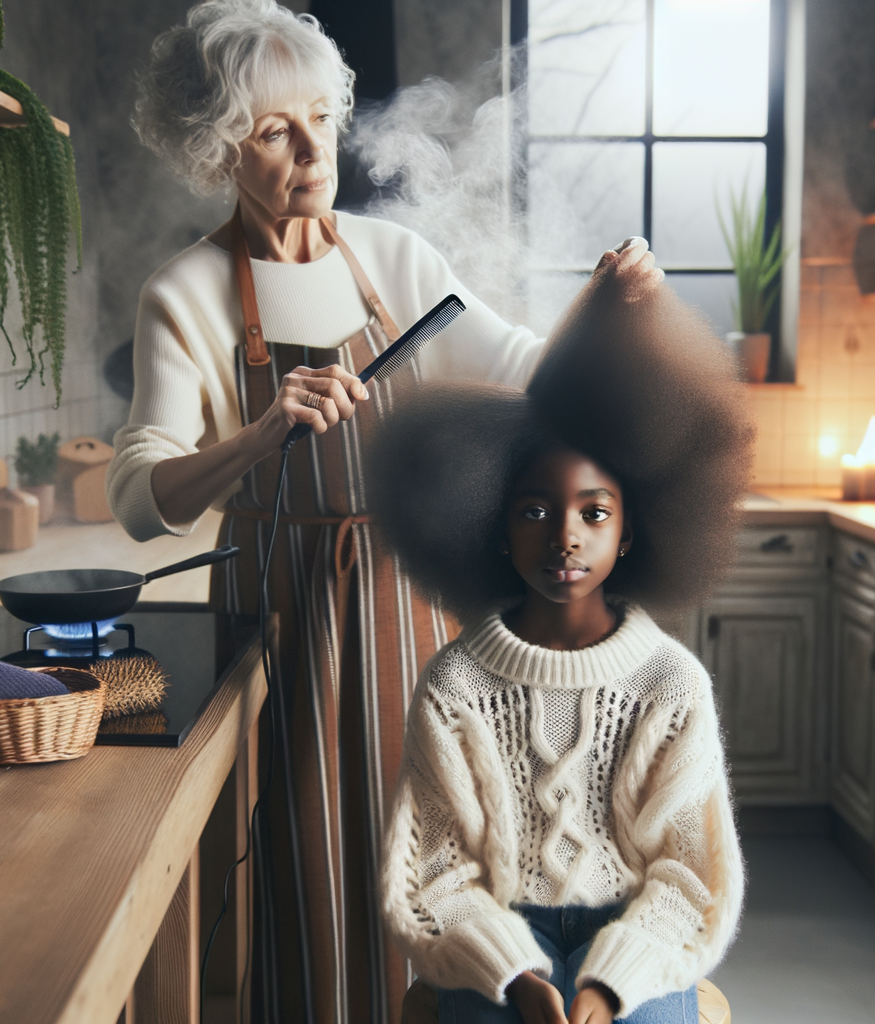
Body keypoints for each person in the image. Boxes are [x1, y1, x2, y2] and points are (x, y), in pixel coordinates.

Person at [105, 2, 634, 1021]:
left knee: (436, 865)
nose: (314, 149)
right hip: (281, 621)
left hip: (411, 612)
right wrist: (260, 437)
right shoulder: (190, 292)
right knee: (306, 866)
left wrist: (609, 302)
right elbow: (139, 497)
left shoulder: (394, 262)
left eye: (318, 115)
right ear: (219, 150)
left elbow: (527, 374)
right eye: (272, 130)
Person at [368, 244, 754, 1023]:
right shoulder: (456, 687)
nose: (565, 538)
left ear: (633, 532)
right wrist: (516, 978)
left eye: (594, 513)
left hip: (637, 931)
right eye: (535, 510)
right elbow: (435, 873)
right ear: (497, 527)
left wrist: (610, 988)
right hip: (497, 931)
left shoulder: (671, 685)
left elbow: (688, 878)